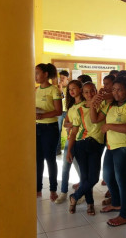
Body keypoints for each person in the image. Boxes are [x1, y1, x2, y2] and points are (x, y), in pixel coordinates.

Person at [90, 76, 126, 227]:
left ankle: (124, 215)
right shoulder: (110, 105)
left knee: (122, 181)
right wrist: (92, 105)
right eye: (114, 90)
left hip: (124, 148)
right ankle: (116, 203)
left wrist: (110, 126)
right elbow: (95, 119)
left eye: (119, 90)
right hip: (111, 147)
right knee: (107, 177)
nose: (116, 93)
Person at [66, 82, 105, 216]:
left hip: (96, 144)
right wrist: (69, 150)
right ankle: (90, 204)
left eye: (92, 91)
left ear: (96, 91)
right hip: (81, 144)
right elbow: (74, 130)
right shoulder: (79, 109)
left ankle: (75, 197)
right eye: (87, 92)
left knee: (93, 178)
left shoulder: (103, 105)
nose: (90, 94)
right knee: (85, 177)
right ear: (83, 94)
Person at [35, 63, 62, 201]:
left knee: (50, 159)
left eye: (38, 73)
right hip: (36, 127)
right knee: (37, 159)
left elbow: (58, 111)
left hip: (50, 128)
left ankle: (53, 190)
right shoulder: (35, 90)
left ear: (46, 74)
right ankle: (38, 189)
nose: (36, 76)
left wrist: (42, 115)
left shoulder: (54, 90)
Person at [55, 80, 84, 204]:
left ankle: (83, 192)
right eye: (70, 89)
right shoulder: (71, 107)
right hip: (70, 139)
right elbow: (66, 123)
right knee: (66, 166)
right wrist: (73, 124)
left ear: (80, 89)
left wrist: (73, 125)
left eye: (74, 88)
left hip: (82, 140)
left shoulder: (86, 105)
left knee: (82, 169)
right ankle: (63, 192)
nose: (71, 91)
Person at [56, 70, 70, 155]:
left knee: (69, 130)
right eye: (60, 78)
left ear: (67, 78)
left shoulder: (69, 88)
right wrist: (59, 89)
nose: (61, 79)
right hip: (59, 111)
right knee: (58, 130)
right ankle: (57, 150)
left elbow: (64, 99)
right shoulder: (57, 87)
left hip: (68, 111)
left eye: (63, 78)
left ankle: (69, 149)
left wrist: (61, 90)